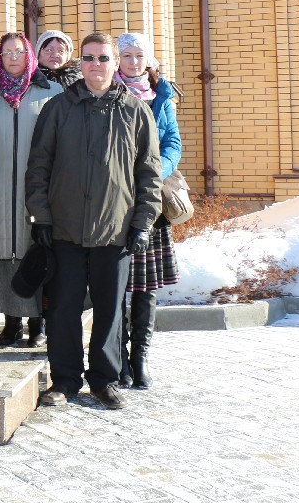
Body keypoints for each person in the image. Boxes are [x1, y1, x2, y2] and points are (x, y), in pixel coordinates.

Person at [26, 32, 162, 411]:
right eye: (88, 58)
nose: (95, 65)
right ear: (79, 63)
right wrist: (40, 217)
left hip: (115, 230)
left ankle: (104, 379)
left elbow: (149, 173)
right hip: (65, 229)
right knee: (64, 309)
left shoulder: (135, 110)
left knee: (109, 309)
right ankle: (65, 380)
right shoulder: (58, 108)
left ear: (114, 62)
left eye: (103, 58)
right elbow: (38, 167)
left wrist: (142, 222)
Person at [0, 33, 62, 349]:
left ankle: (38, 324)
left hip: (37, 189)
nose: (13, 57)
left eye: (19, 51)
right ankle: (11, 324)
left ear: (29, 55)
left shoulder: (51, 92)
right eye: (6, 51)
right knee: (5, 254)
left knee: (34, 253)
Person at [115, 32, 182, 390]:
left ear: (149, 60)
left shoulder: (162, 97)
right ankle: (120, 357)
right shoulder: (108, 92)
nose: (134, 61)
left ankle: (140, 357)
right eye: (127, 55)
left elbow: (173, 142)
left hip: (149, 199)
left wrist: (157, 169)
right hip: (114, 199)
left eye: (139, 55)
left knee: (145, 286)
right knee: (116, 284)